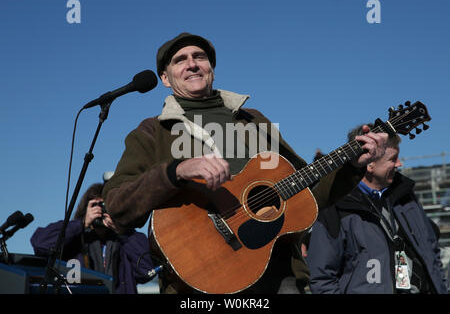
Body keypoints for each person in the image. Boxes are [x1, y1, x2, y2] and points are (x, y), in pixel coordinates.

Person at [102, 32, 388, 293]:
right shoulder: (152, 132)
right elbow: (118, 204)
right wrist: (175, 171)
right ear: (165, 78)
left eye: (199, 57)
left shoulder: (254, 120)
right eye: (180, 60)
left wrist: (353, 164)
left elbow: (309, 193)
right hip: (198, 284)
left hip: (278, 278)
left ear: (211, 68)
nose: (192, 64)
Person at [306, 124, 448, 294]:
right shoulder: (334, 208)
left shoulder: (406, 196)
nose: (399, 164)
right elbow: (322, 280)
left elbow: (432, 255)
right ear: (369, 163)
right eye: (393, 159)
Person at [30, 183, 154, 294]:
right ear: (85, 209)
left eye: (104, 206)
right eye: (94, 205)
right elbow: (40, 244)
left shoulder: (125, 240)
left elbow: (146, 271)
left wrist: (121, 231)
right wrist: (81, 224)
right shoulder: (73, 237)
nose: (100, 210)